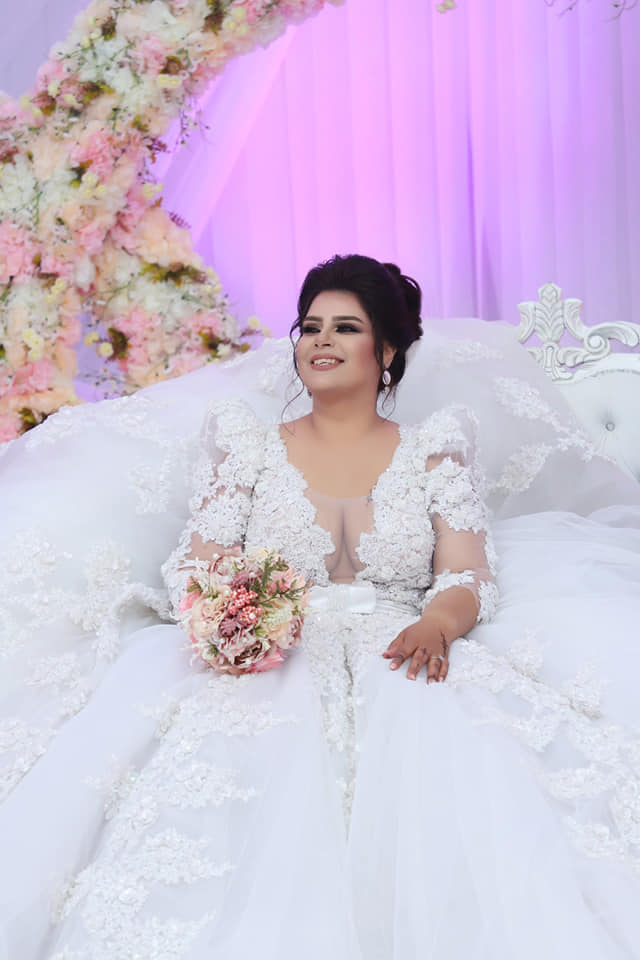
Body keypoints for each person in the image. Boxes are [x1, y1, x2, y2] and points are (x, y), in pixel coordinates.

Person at [1, 254, 640, 960]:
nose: (322, 341)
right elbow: (200, 562)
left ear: (386, 351)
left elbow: (467, 573)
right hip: (270, 656)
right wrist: (231, 617)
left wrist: (437, 623)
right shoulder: (247, 445)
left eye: (346, 327)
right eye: (310, 327)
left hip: (403, 650)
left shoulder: (435, 449)